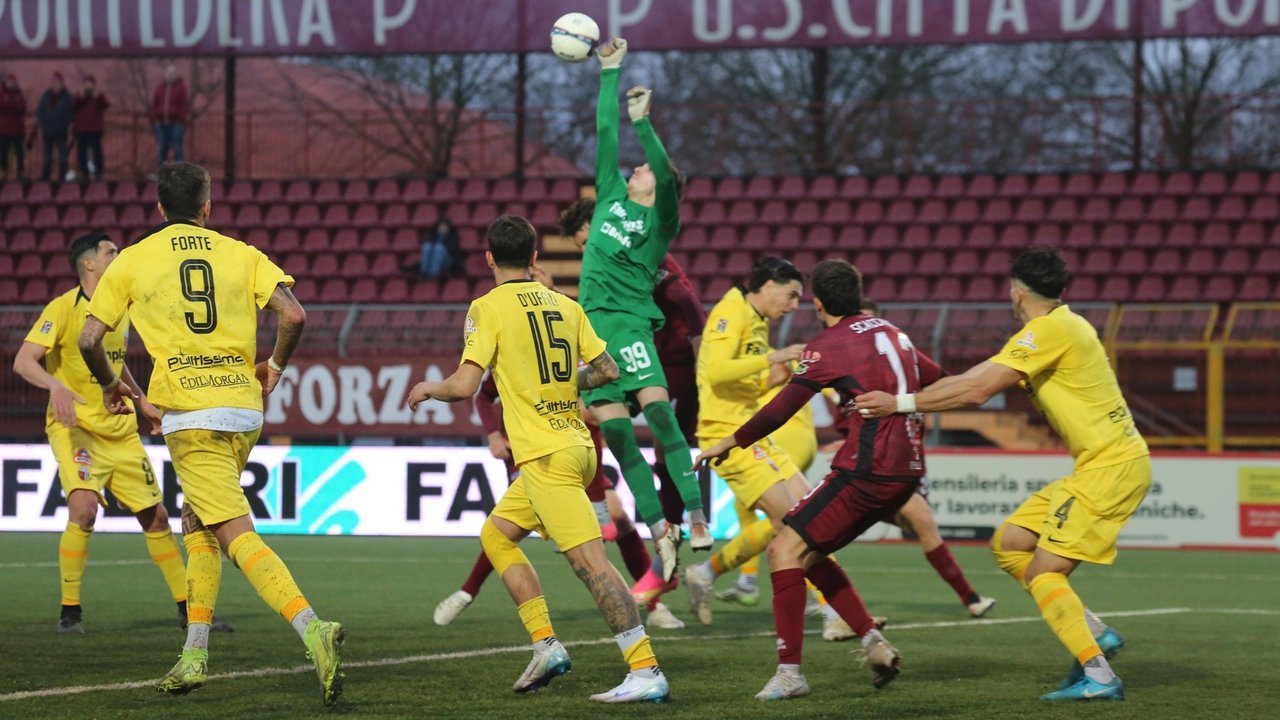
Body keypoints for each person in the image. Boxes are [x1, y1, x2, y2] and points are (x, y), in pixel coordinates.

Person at [78, 161, 345, 705]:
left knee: (234, 534)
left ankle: (312, 627)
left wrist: (116, 386)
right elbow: (293, 315)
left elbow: (88, 340)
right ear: (206, 206)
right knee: (197, 524)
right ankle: (195, 654)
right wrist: (275, 366)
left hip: (191, 415)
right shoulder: (241, 253)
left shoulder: (131, 261)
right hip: (244, 409)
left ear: (159, 208)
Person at [855, 247, 1150, 702]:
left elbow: (977, 389)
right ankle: (1093, 632)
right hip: (1099, 465)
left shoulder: (1052, 330)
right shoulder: (1055, 328)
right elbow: (976, 376)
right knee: (1011, 543)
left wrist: (899, 404)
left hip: (1111, 467)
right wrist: (907, 393)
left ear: (1015, 293)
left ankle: (1100, 675)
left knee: (1046, 573)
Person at [407, 214, 670, 703]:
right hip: (575, 446)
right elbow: (607, 369)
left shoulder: (486, 307)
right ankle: (546, 645)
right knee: (496, 534)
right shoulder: (564, 305)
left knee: (592, 565)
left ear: (488, 259)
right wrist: (566, 382)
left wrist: (429, 387)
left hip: (548, 456)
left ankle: (646, 668)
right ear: (533, 258)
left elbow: (465, 387)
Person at [695, 259, 935, 699]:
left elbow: (775, 401)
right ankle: (862, 634)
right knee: (802, 540)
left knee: (790, 543)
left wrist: (735, 435)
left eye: (802, 299)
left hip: (843, 463)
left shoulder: (820, 340)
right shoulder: (891, 333)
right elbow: (937, 380)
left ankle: (794, 669)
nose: (793, 305)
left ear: (821, 303)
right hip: (900, 470)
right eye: (789, 296)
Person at [12, 232, 231, 636]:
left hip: (121, 430)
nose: (118, 254)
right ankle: (70, 612)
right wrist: (55, 386)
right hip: (76, 429)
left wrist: (141, 397)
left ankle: (188, 610)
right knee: (84, 509)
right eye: (110, 251)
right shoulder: (62, 309)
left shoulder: (119, 308)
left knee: (157, 518)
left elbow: (111, 363)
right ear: (89, 264)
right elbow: (24, 361)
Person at [577, 38, 710, 576]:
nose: (636, 168)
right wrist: (610, 71)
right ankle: (661, 528)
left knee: (658, 414)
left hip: (631, 327)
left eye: (647, 169)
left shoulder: (660, 223)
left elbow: (653, 158)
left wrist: (645, 122)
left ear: (662, 184)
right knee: (615, 435)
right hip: (591, 333)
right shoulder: (609, 193)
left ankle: (697, 518)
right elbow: (605, 135)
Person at [432, 372, 683, 630]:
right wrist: (495, 436)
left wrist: (598, 500)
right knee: (505, 528)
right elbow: (483, 395)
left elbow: (593, 421)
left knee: (619, 518)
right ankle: (467, 592)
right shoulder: (513, 352)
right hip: (529, 452)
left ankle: (654, 606)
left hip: (570, 451)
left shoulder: (569, 353)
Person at [556, 198, 707, 603]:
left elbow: (687, 299)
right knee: (605, 424)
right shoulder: (605, 268)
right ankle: (661, 543)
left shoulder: (643, 251)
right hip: (635, 354)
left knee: (664, 448)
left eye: (585, 243)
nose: (586, 253)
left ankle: (672, 555)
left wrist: (698, 350)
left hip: (676, 364)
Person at [816, 298, 997, 621]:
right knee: (922, 523)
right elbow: (849, 417)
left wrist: (985, 373)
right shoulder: (842, 365)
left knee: (818, 540)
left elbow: (943, 381)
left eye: (871, 324)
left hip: (902, 464)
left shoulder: (899, 362)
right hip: (874, 468)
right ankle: (970, 597)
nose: (866, 333)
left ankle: (832, 611)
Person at [682, 257, 809, 627]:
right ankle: (836, 612)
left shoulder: (757, 319)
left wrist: (770, 379)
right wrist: (773, 357)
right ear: (768, 285)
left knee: (809, 516)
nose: (794, 305)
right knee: (792, 521)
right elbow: (716, 371)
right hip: (726, 432)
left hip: (752, 429)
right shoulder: (731, 310)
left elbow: (739, 380)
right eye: (791, 295)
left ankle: (705, 573)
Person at [35, 72, 74, 182]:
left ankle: (62, 176)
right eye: (54, 83)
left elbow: (72, 113)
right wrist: (43, 122)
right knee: (47, 155)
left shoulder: (67, 97)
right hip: (47, 130)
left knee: (62, 155)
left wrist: (64, 122)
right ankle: (46, 175)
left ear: (62, 84)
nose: (56, 85)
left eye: (58, 83)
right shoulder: (46, 95)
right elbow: (40, 110)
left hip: (61, 130)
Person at [72, 75, 108, 181]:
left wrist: (97, 97)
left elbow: (104, 105)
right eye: (86, 83)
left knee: (97, 151)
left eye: (90, 83)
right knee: (81, 152)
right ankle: (84, 173)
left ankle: (99, 172)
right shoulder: (79, 96)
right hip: (82, 129)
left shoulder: (98, 96)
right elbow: (73, 106)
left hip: (95, 129)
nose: (88, 85)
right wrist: (82, 96)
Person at [152, 64, 188, 166]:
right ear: (165, 74)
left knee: (177, 145)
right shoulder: (159, 88)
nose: (170, 75)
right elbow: (154, 104)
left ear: (176, 75)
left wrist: (181, 119)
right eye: (168, 73)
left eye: (172, 73)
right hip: (161, 123)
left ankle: (179, 171)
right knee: (162, 146)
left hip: (176, 123)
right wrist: (156, 118)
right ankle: (163, 171)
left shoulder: (181, 88)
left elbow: (185, 105)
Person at [0, 73, 27, 180]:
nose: (10, 84)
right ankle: (4, 172)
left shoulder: (19, 94)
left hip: (18, 129)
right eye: (8, 81)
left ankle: (20, 172)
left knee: (20, 152)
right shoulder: (2, 94)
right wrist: (13, 107)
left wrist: (8, 108)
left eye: (12, 81)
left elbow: (22, 107)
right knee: (3, 152)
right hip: (4, 129)